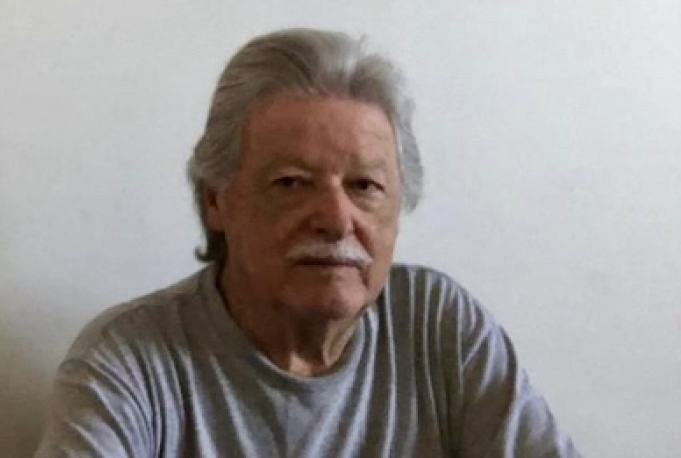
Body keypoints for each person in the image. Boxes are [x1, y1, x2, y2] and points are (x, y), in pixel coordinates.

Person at [35, 28, 580, 457]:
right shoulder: (130, 362)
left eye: (364, 186)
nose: (337, 220)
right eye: (292, 183)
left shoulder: (439, 327)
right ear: (217, 200)